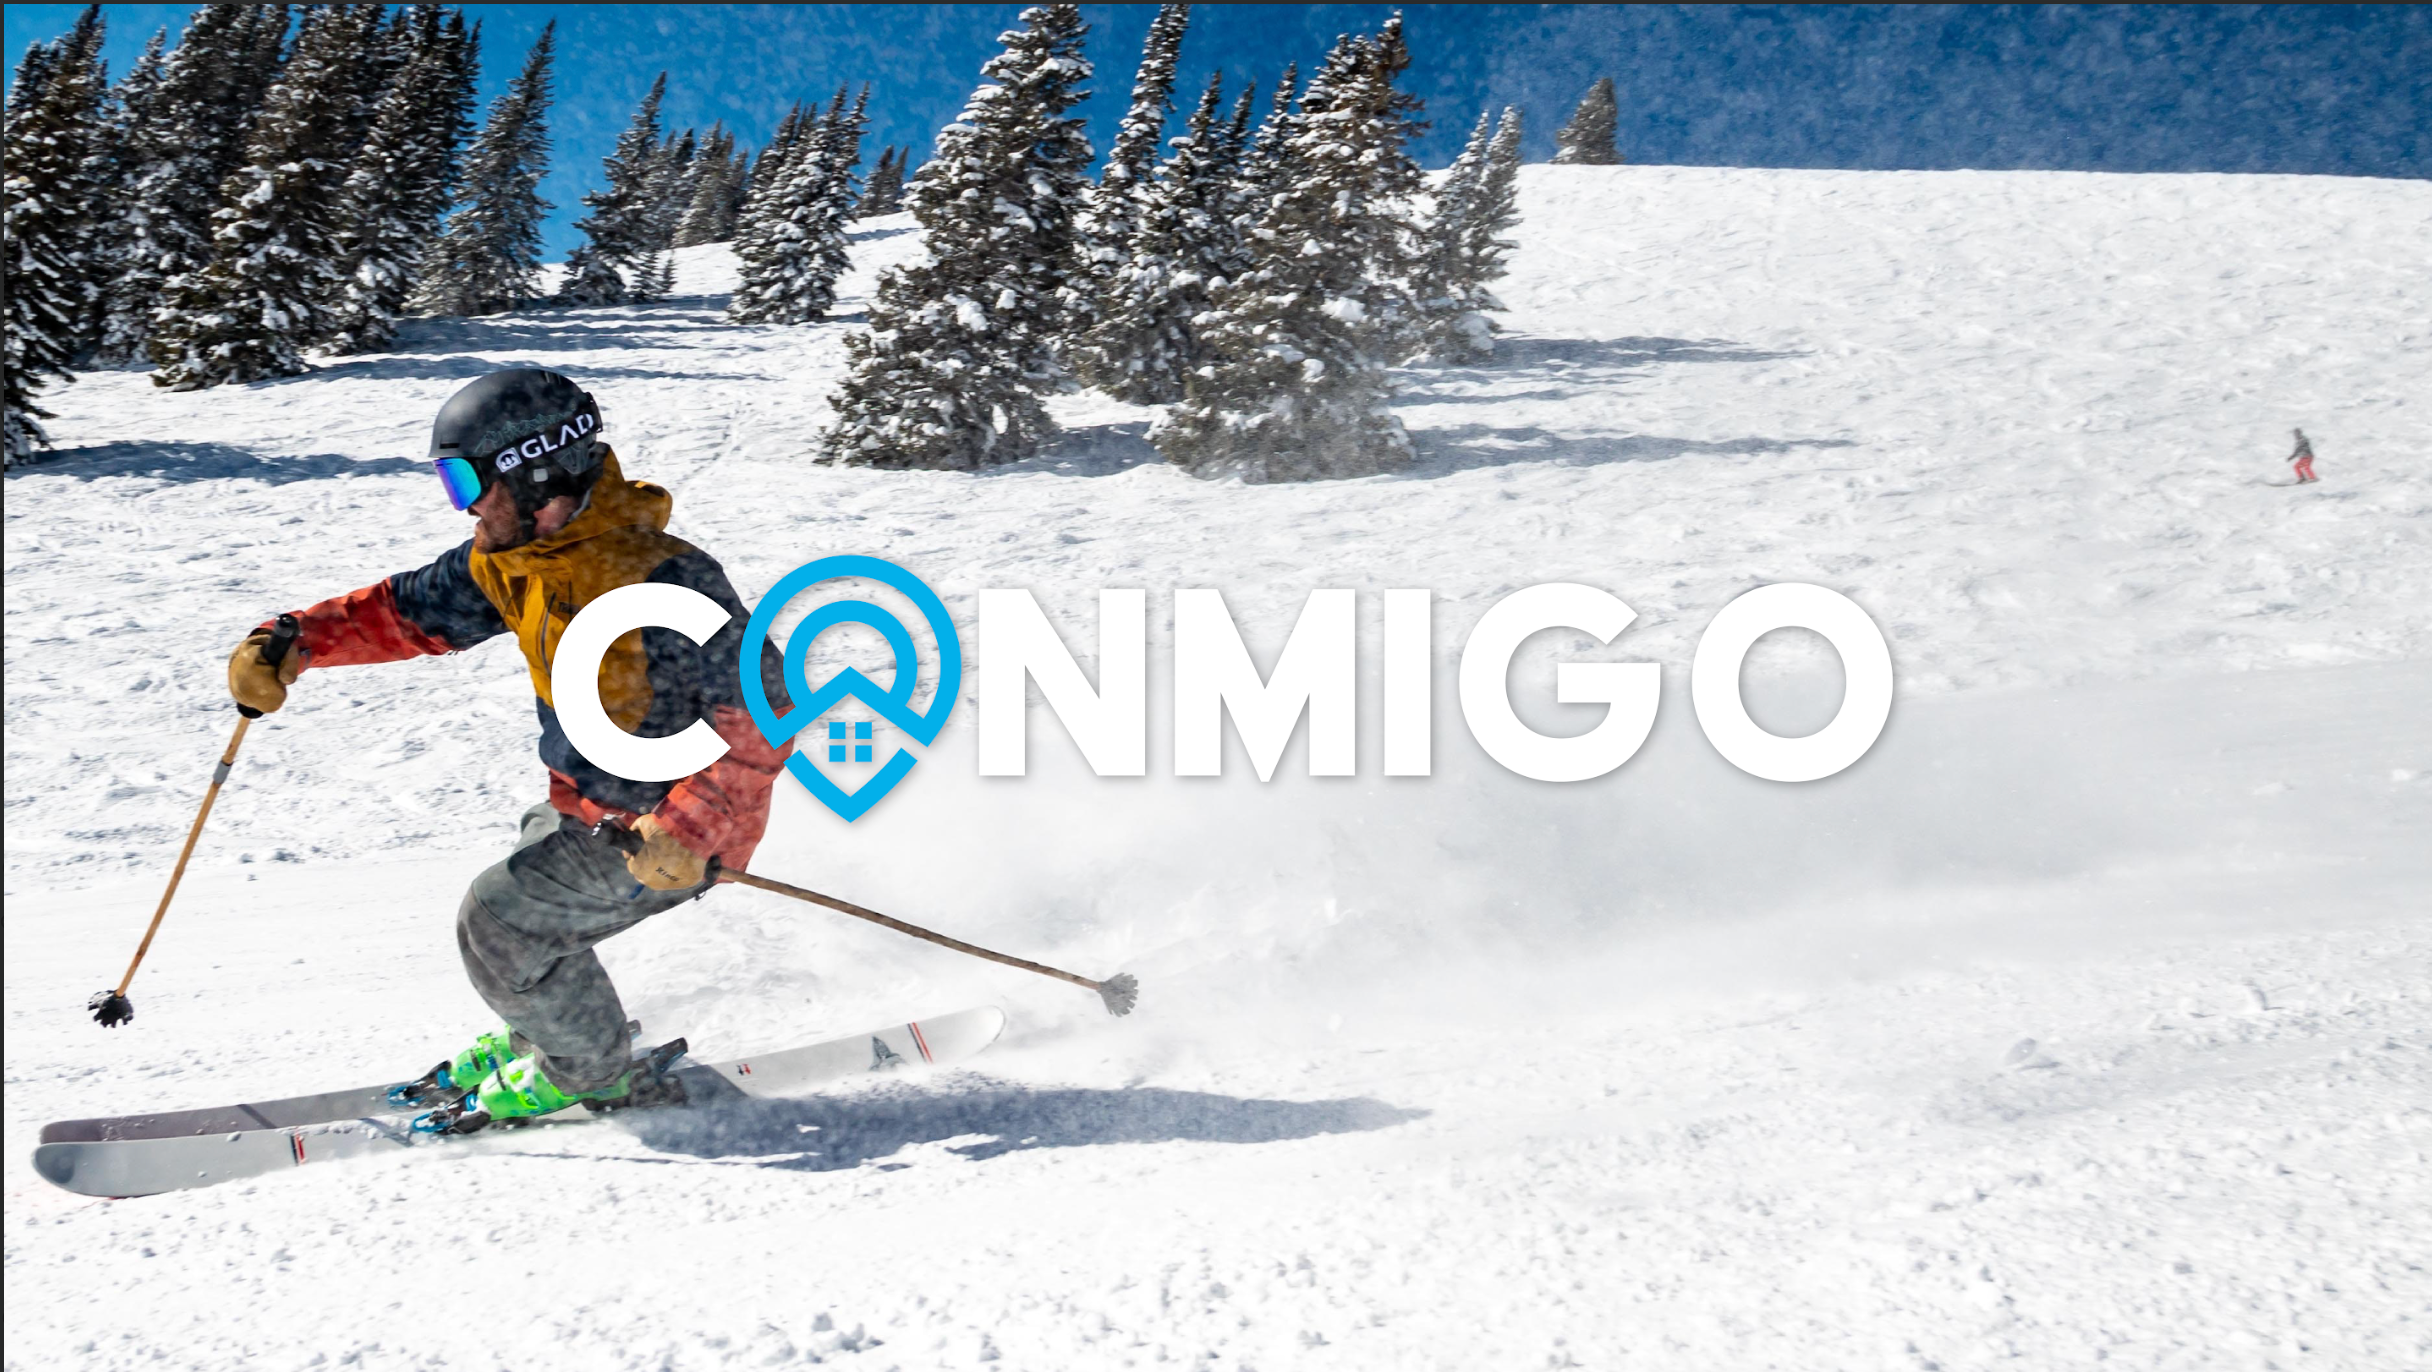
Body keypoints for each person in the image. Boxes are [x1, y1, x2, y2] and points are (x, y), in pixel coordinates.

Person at [224, 369, 789, 1129]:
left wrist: (690, 826)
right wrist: (295, 640)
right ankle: (548, 1029)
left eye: (467, 482)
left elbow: (764, 707)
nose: (465, 506)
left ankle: (593, 1070)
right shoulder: (517, 561)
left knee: (499, 924)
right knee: (529, 907)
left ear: (536, 474)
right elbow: (407, 611)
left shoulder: (659, 576)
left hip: (670, 834)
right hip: (587, 805)